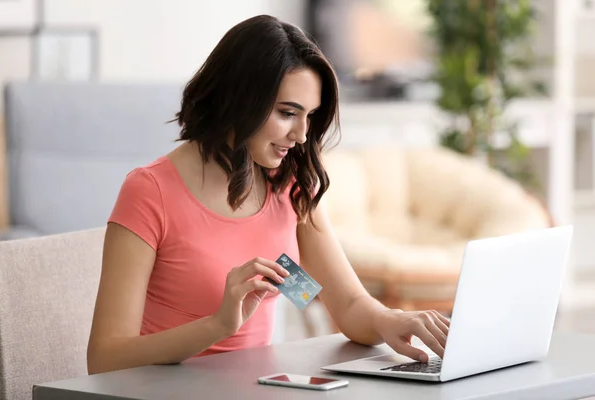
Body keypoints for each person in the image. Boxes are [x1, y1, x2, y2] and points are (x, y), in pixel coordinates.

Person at [86, 14, 450, 375]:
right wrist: (217, 326)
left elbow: (349, 305)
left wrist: (392, 319)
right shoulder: (149, 192)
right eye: (287, 113)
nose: (302, 135)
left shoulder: (290, 186)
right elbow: (104, 358)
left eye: (309, 116)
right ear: (238, 98)